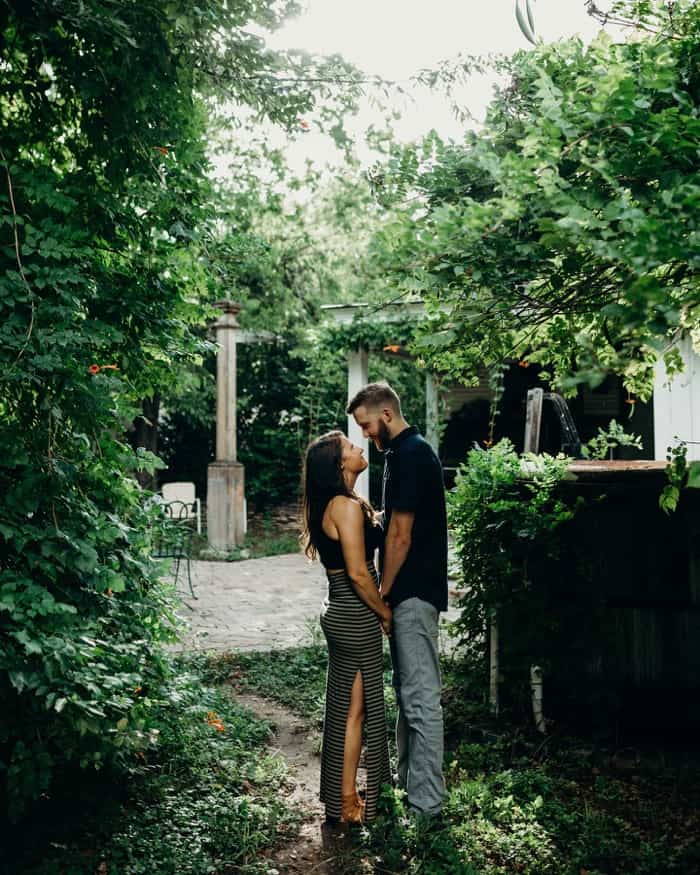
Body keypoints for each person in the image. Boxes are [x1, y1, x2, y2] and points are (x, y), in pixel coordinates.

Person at [347, 382, 447, 819]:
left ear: (385, 415)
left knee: (422, 699)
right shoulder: (398, 456)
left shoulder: (411, 454)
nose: (366, 435)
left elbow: (402, 536)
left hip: (413, 591)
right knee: (409, 695)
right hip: (408, 592)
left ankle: (427, 808)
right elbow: (395, 522)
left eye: (367, 426)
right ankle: (412, 789)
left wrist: (382, 594)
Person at [302, 430, 392, 824]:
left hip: (341, 609)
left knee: (345, 709)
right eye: (350, 447)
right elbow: (358, 573)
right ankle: (347, 800)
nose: (359, 448)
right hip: (355, 612)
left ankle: (342, 796)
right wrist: (384, 613)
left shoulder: (340, 504)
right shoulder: (344, 506)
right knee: (357, 711)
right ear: (340, 464)